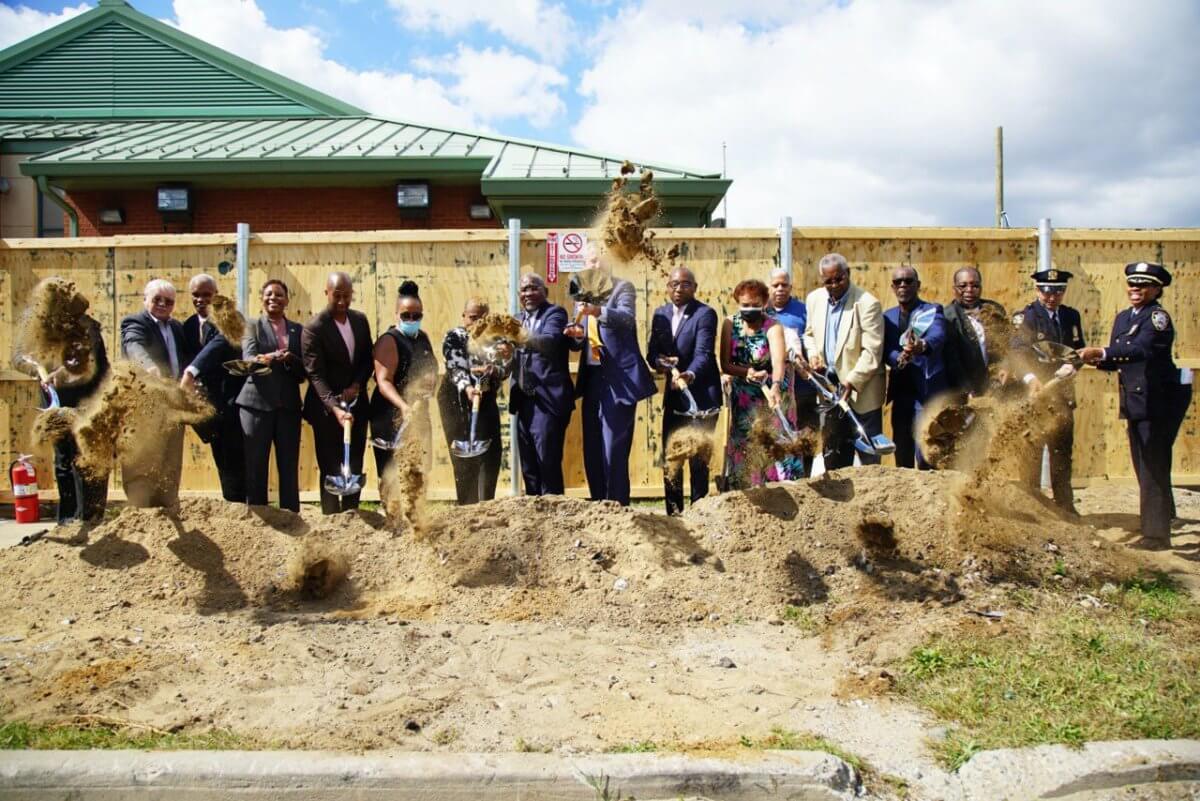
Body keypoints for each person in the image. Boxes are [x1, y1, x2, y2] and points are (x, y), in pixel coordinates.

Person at [1079, 262, 1191, 549]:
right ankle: (1165, 515)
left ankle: (1156, 536)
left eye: (1143, 285)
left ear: (1156, 289)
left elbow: (1139, 350)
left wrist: (1102, 351)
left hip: (1159, 400)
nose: (1135, 290)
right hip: (1136, 400)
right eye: (1132, 284)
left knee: (1152, 465)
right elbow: (1119, 359)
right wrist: (1092, 360)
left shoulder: (1157, 318)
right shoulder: (1124, 318)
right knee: (1144, 464)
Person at [566, 246, 656, 505]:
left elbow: (627, 319)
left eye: (597, 261)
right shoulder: (581, 294)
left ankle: (617, 506)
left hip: (618, 379)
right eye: (589, 261)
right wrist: (575, 337)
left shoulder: (622, 288)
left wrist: (598, 311)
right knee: (593, 447)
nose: (593, 265)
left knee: (614, 448)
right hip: (592, 379)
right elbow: (580, 338)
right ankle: (597, 505)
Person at [20, 307, 109, 523]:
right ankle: (67, 518)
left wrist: (61, 372)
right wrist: (37, 372)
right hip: (55, 404)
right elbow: (18, 357)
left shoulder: (87, 326)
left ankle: (88, 517)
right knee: (63, 460)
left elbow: (89, 355)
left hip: (84, 403)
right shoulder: (37, 329)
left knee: (85, 459)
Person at [1011, 268, 1086, 515]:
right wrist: (1031, 378)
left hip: (1062, 394)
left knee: (1062, 450)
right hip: (1035, 395)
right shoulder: (1026, 317)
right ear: (1037, 290)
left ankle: (1065, 505)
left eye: (1058, 291)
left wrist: (1072, 366)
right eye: (1046, 291)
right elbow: (1018, 353)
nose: (1052, 296)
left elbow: (1078, 351)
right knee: (1032, 451)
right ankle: (1034, 504)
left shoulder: (1071, 316)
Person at [647, 266, 721, 514]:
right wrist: (659, 362)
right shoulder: (660, 314)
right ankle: (675, 517)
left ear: (695, 288)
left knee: (699, 461)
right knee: (672, 459)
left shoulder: (705, 314)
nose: (679, 288)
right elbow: (652, 353)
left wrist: (689, 374)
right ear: (668, 287)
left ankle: (699, 515)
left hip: (701, 398)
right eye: (674, 284)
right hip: (675, 401)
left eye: (686, 284)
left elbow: (704, 353)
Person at [802, 253, 885, 470]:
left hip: (861, 391)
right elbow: (808, 334)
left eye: (839, 279)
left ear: (848, 274)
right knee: (834, 456)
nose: (834, 285)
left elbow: (872, 351)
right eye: (828, 281)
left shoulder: (867, 303)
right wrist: (812, 353)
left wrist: (851, 381)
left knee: (869, 460)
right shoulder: (814, 299)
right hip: (831, 391)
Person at [302, 271, 373, 514]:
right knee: (330, 465)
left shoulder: (360, 320)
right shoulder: (315, 327)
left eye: (347, 296)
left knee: (354, 462)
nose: (342, 302)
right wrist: (334, 407)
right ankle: (331, 518)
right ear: (327, 294)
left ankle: (352, 515)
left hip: (356, 404)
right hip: (326, 409)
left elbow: (367, 359)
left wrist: (357, 385)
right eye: (337, 296)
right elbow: (316, 374)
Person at [719, 279, 800, 488]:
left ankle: (783, 490)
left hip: (772, 394)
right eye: (745, 305)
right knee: (746, 443)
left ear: (764, 303)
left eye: (755, 304)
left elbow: (778, 362)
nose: (750, 309)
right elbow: (726, 364)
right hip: (744, 397)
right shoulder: (730, 324)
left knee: (774, 441)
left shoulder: (773, 327)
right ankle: (748, 491)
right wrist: (746, 372)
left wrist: (775, 385)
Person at [236, 279, 305, 512]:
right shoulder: (251, 326)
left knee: (288, 464)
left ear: (287, 300)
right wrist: (275, 356)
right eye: (269, 294)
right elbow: (249, 359)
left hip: (288, 407)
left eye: (279, 295)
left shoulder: (298, 330)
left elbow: (303, 372)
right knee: (256, 465)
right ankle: (259, 516)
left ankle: (291, 515)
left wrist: (291, 359)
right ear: (261, 298)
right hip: (255, 405)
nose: (273, 298)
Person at [119, 279, 188, 506]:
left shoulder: (177, 328)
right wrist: (148, 367)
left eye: (168, 301)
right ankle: (140, 512)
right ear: (145, 299)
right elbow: (133, 345)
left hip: (172, 405)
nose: (162, 304)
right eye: (157, 299)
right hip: (144, 406)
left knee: (170, 459)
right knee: (142, 459)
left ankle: (168, 506)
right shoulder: (135, 322)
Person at [181, 273, 246, 503]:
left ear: (215, 295)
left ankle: (244, 507)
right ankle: (231, 504)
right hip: (208, 407)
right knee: (221, 459)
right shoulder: (188, 326)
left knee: (236, 458)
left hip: (232, 403)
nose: (200, 299)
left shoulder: (227, 318)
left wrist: (191, 372)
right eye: (196, 295)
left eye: (206, 295)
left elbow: (218, 346)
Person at [437, 297, 509, 505]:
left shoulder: (496, 340)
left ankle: (486, 505)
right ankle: (467, 508)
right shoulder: (455, 336)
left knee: (491, 452)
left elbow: (505, 369)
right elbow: (454, 367)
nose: (477, 322)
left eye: (482, 318)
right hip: (456, 399)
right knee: (464, 459)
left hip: (484, 398)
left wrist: (494, 369)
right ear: (464, 317)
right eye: (473, 317)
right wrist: (468, 387)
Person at [509, 273, 573, 496]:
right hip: (523, 399)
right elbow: (511, 358)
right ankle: (534, 516)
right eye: (524, 290)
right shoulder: (516, 319)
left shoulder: (555, 313)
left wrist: (516, 335)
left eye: (533, 288)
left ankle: (555, 514)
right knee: (529, 464)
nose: (528, 293)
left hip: (548, 401)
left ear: (545, 291)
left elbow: (549, 342)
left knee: (547, 460)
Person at [371, 280, 437, 480]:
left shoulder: (423, 338)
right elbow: (383, 381)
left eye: (416, 315)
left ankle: (416, 511)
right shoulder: (389, 340)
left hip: (418, 412)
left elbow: (431, 368)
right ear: (396, 315)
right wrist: (404, 407)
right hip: (391, 413)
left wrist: (431, 381)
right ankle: (392, 511)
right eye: (405, 315)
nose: (411, 318)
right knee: (392, 471)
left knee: (419, 468)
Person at [883, 266, 946, 469]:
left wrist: (922, 346)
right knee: (902, 449)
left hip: (924, 391)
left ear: (918, 285)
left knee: (925, 450)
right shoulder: (887, 316)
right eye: (898, 282)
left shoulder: (932, 311)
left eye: (908, 281)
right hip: (900, 391)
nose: (903, 286)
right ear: (893, 287)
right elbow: (884, 348)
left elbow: (938, 334)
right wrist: (897, 357)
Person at [767, 268, 820, 457]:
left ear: (791, 287)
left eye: (784, 285)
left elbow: (812, 338)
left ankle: (805, 479)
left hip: (802, 389)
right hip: (774, 390)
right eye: (775, 285)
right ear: (769, 287)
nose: (780, 289)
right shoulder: (762, 312)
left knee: (805, 438)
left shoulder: (803, 311)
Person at [942, 267, 1007, 398]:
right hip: (966, 390)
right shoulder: (947, 317)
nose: (969, 290)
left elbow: (1006, 343)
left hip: (998, 383)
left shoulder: (994, 310)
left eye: (975, 286)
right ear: (954, 289)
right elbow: (952, 360)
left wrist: (1005, 366)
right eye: (963, 286)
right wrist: (966, 389)